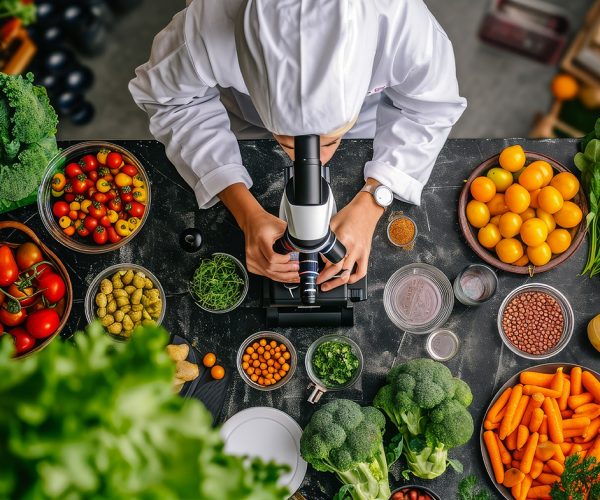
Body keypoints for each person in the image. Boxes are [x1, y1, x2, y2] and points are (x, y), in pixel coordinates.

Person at [129, 0, 466, 290]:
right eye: (290, 143)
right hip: (248, 115)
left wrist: (373, 200)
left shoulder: (402, 23)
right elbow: (171, 101)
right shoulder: (210, 22)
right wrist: (245, 212)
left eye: (330, 141)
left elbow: (430, 108)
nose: (315, 160)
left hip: (363, 117)